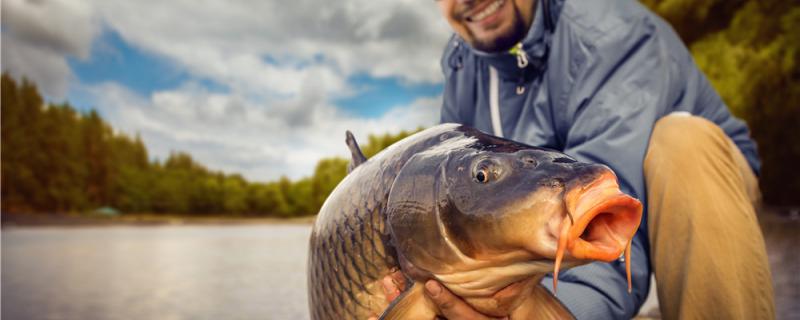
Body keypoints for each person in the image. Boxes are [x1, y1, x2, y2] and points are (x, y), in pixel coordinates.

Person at [379, 0, 776, 318]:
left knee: (683, 143)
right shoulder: (461, 65)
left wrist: (551, 312)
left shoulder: (609, 31)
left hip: (702, 190)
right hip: (552, 209)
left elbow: (604, 216)